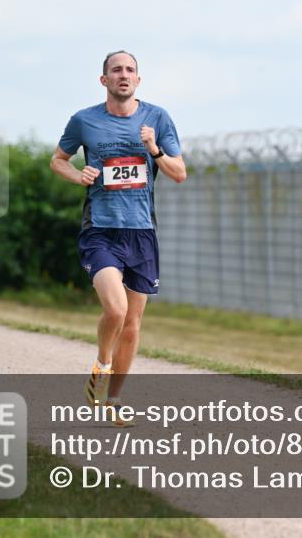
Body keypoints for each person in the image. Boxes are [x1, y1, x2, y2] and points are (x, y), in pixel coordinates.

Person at [50, 50, 186, 425]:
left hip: (141, 231)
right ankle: (102, 363)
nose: (123, 75)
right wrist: (78, 175)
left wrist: (153, 148)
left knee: (133, 325)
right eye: (116, 70)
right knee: (116, 309)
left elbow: (179, 173)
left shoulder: (157, 119)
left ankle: (113, 401)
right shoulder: (85, 120)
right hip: (101, 230)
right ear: (104, 80)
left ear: (138, 80)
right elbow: (58, 159)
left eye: (130, 70)